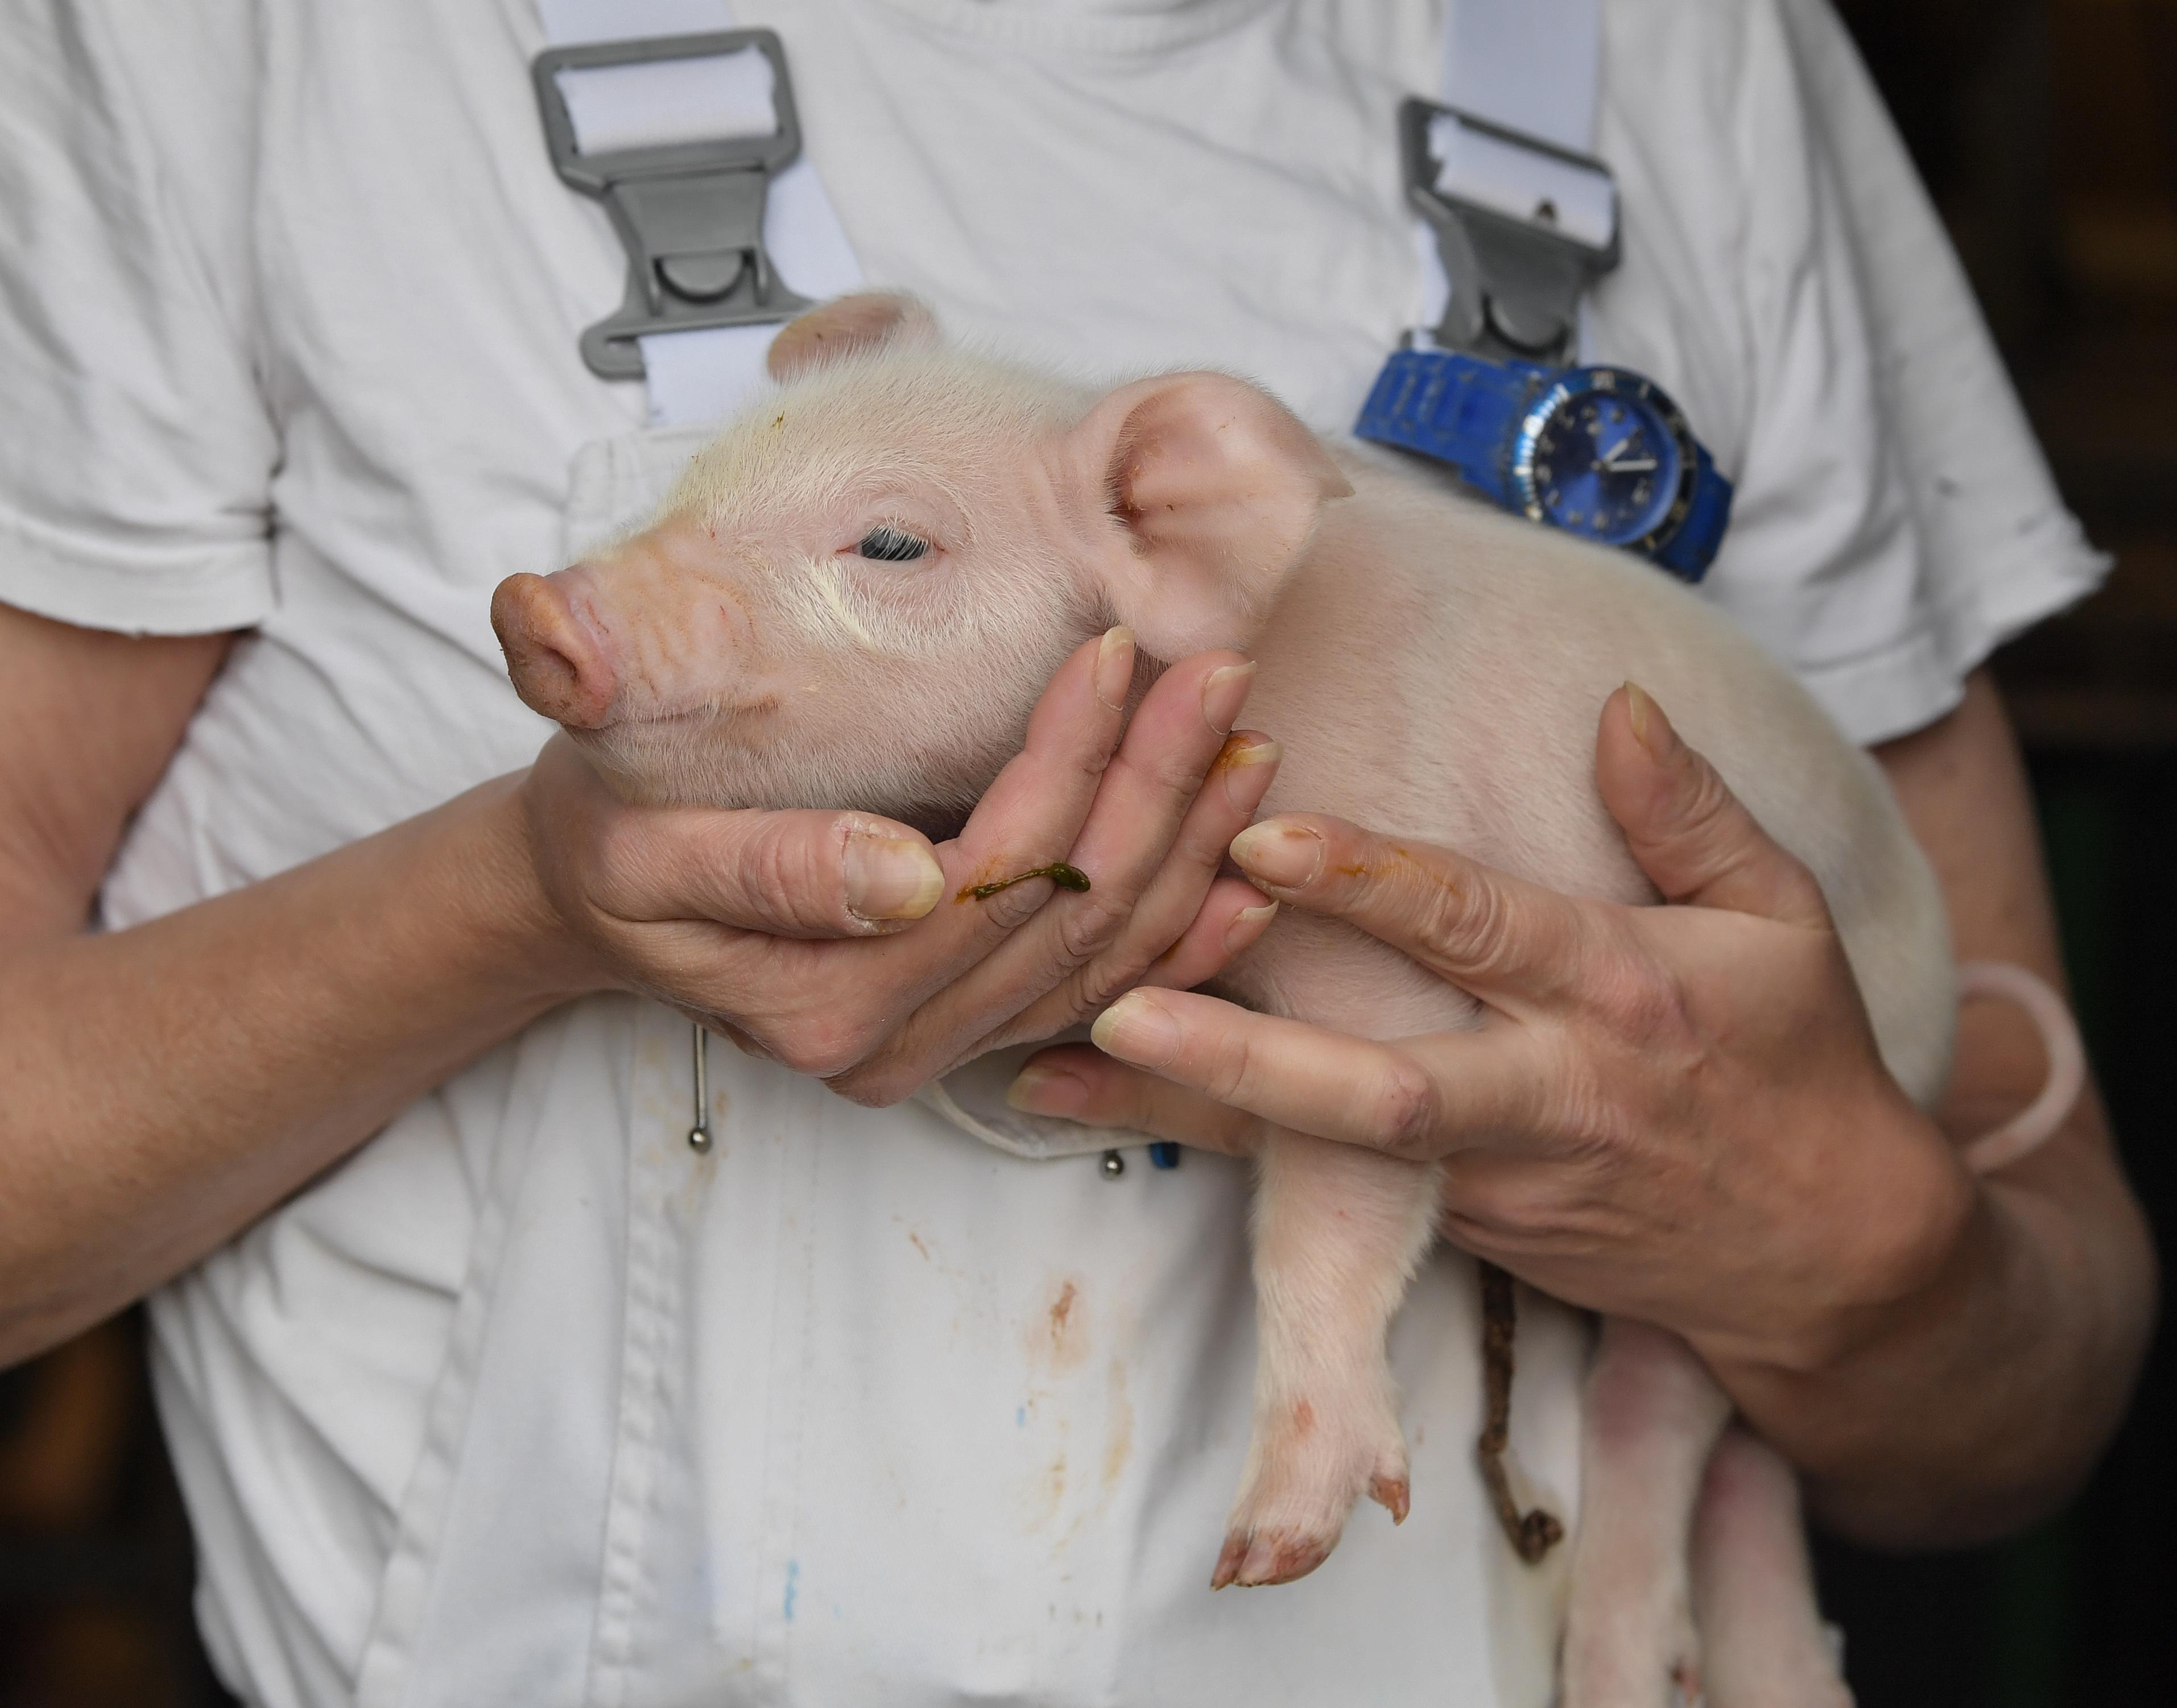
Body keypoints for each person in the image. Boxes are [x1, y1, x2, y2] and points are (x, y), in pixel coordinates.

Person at [0, 1, 2153, 1703]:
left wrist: (1837, 1246)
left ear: (1186, 524)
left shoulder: (1690, 49)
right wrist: (525, 904)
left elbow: (2021, 1361)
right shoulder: (245, 39)